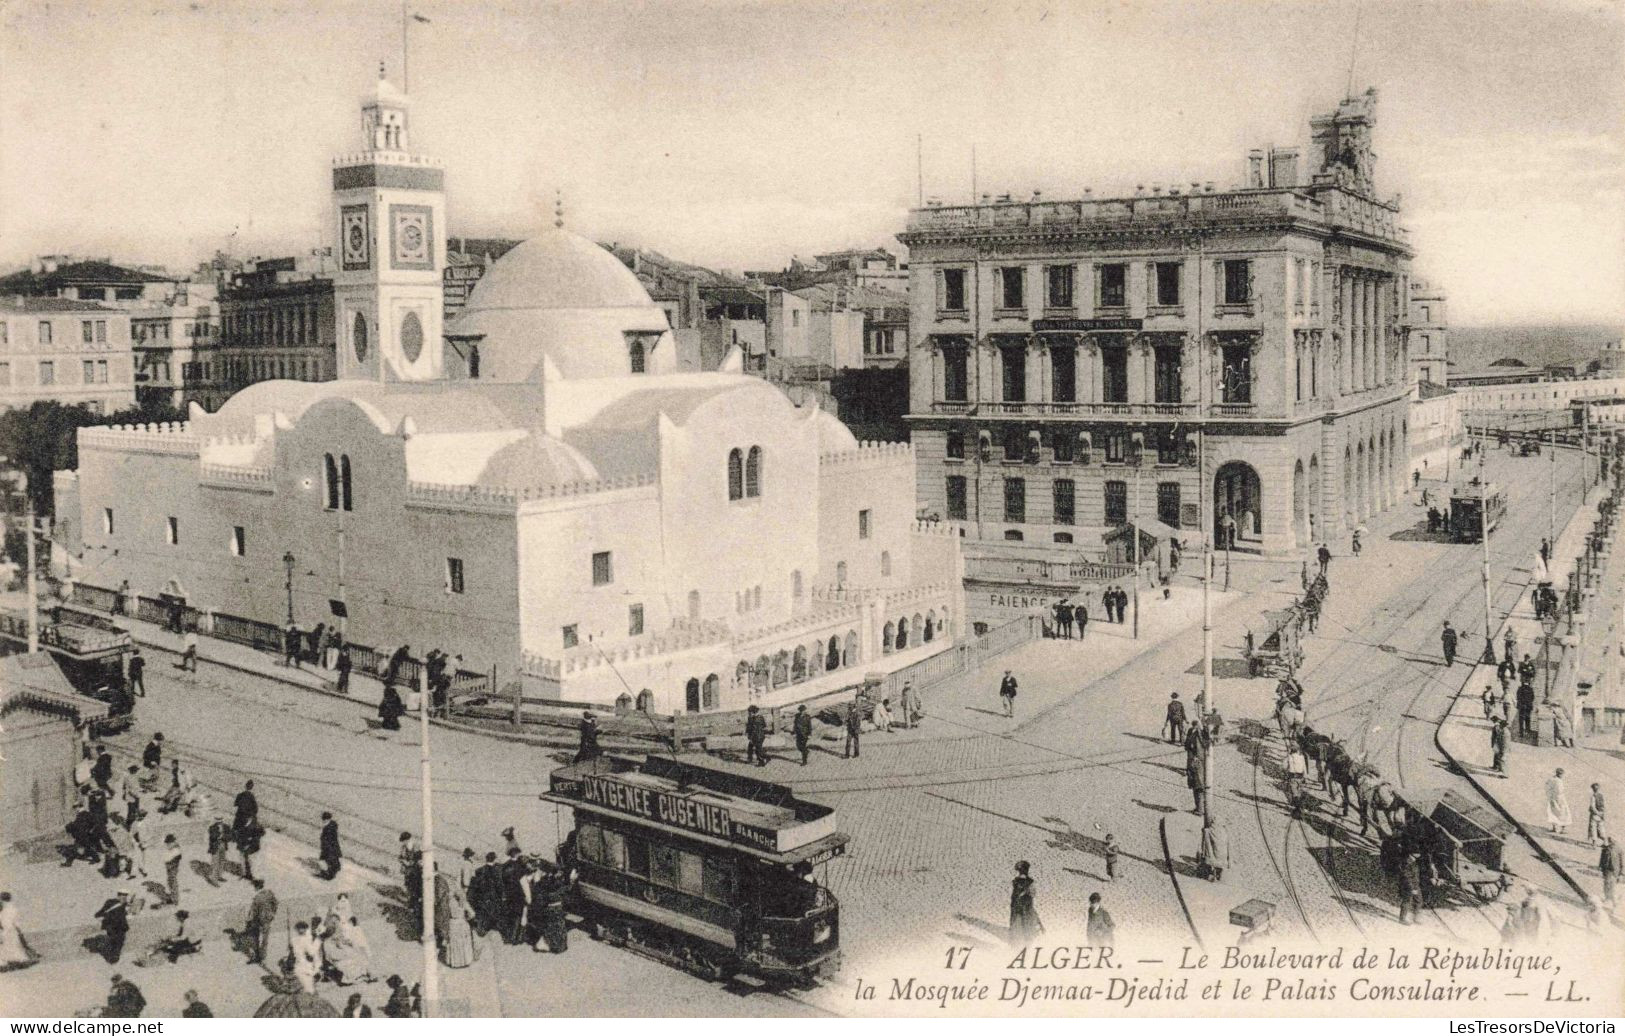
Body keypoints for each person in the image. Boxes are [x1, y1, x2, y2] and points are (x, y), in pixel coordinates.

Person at [0, 892, 39, 971]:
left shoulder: (2, 909)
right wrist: (20, 932)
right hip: (11, 930)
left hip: (4, 931)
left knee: (6, 947)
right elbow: (16, 924)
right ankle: (18, 961)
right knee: (15, 946)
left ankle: (7, 963)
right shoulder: (13, 909)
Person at [1007, 861, 1042, 946]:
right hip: (1026, 905)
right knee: (1027, 922)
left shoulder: (1015, 881)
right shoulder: (1030, 882)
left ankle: (1016, 940)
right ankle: (1027, 940)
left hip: (1017, 905)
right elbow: (1033, 893)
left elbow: (1013, 894)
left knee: (1017, 922)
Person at [243, 878, 277, 965]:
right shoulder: (269, 893)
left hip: (258, 920)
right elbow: (276, 903)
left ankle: (257, 957)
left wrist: (248, 919)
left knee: (255, 938)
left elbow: (253, 910)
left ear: (257, 886)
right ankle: (262, 956)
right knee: (264, 939)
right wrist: (272, 913)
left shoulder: (258, 897)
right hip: (267, 919)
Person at [95, 890, 131, 964]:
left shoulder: (125, 904)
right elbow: (102, 912)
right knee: (114, 940)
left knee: (120, 941)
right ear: (118, 896)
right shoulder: (110, 902)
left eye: (125, 896)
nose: (124, 898)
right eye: (123, 896)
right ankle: (112, 956)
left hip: (120, 926)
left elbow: (127, 913)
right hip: (111, 925)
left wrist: (128, 910)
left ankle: (115, 956)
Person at [289, 920, 319, 993]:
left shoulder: (293, 940)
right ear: (305, 929)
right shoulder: (306, 940)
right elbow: (311, 953)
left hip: (297, 965)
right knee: (309, 989)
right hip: (306, 965)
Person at [1200, 817, 1228, 882]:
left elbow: (1206, 844)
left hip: (1213, 856)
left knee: (1209, 854)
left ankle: (1211, 874)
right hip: (1223, 856)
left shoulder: (1208, 831)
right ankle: (1219, 874)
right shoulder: (1224, 832)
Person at [1398, 851, 1422, 925]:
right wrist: (1412, 889)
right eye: (1417, 852)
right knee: (1406, 901)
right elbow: (1407, 877)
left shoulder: (1413, 861)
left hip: (1415, 885)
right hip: (1408, 886)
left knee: (1419, 900)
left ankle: (1415, 917)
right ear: (1412, 854)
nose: (1419, 854)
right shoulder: (1407, 862)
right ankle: (1402, 919)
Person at [1546, 768, 1573, 836]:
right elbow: (1560, 791)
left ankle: (1554, 827)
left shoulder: (1552, 779)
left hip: (1553, 798)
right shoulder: (1559, 781)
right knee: (1564, 813)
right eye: (1562, 774)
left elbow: (1547, 786)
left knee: (1553, 812)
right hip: (1560, 799)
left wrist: (1550, 796)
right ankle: (1562, 829)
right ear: (1560, 774)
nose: (1563, 776)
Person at [1600, 835, 1622, 911]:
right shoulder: (1605, 849)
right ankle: (1607, 899)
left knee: (1612, 887)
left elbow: (1622, 863)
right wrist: (1601, 868)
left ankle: (1614, 903)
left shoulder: (1619, 849)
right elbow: (1602, 859)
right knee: (1606, 884)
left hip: (1614, 871)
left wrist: (1621, 874)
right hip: (1607, 870)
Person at [319, 811, 343, 880]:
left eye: (324, 819)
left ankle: (328, 875)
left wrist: (325, 846)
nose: (323, 821)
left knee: (326, 861)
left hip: (329, 848)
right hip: (332, 847)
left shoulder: (328, 828)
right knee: (330, 861)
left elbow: (327, 839)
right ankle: (328, 873)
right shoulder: (332, 825)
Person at [161, 834, 183, 905]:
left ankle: (175, 899)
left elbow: (167, 859)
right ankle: (173, 897)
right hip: (171, 868)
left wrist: (167, 859)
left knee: (173, 883)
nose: (167, 845)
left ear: (172, 842)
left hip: (172, 868)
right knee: (170, 883)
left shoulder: (176, 850)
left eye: (168, 843)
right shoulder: (173, 849)